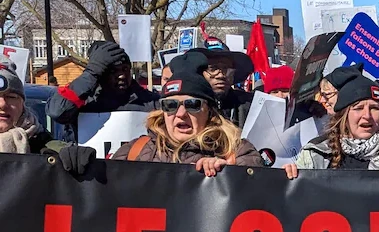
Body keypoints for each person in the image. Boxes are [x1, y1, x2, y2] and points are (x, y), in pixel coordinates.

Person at [111, 52, 262, 175]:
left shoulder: (238, 152)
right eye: (170, 105)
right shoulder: (133, 152)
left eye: (192, 105)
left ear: (209, 111)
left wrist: (230, 174)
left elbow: (262, 197)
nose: (181, 114)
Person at [284, 65, 379, 175]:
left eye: (375, 108)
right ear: (344, 115)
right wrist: (288, 179)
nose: (367, 116)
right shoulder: (316, 153)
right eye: (358, 108)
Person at [0, 57, 95, 173]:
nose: (3, 104)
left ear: (22, 104)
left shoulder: (49, 151)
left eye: (11, 97)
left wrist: (78, 159)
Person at [46, 40, 159, 127]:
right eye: (113, 71)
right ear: (100, 73)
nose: (122, 76)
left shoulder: (148, 101)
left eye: (125, 69)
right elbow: (56, 112)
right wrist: (91, 73)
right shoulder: (84, 102)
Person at [183, 42, 255, 127]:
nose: (221, 75)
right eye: (213, 68)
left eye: (226, 69)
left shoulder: (250, 105)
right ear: (199, 72)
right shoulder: (185, 105)